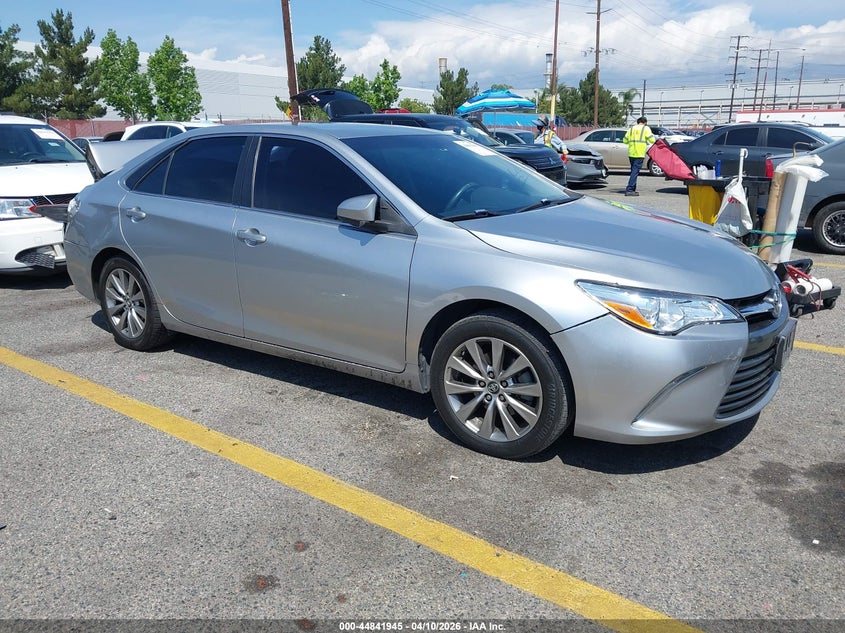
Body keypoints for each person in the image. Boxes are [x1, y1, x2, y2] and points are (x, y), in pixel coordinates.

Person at [622, 116, 656, 196]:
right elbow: (652, 140)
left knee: (633, 171)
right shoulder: (646, 129)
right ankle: (630, 189)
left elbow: (625, 141)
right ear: (645, 123)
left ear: (638, 122)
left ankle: (633, 188)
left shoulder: (631, 129)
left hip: (631, 153)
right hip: (639, 153)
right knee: (635, 172)